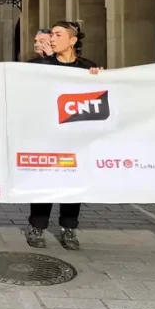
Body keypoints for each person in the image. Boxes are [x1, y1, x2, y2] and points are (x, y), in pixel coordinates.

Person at [23, 21, 99, 251]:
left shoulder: (88, 67)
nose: (52, 39)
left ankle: (69, 229)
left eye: (57, 35)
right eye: (51, 35)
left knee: (72, 184)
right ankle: (37, 227)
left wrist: (98, 78)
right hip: (47, 136)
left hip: (76, 137)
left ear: (73, 40)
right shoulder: (39, 66)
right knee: (44, 182)